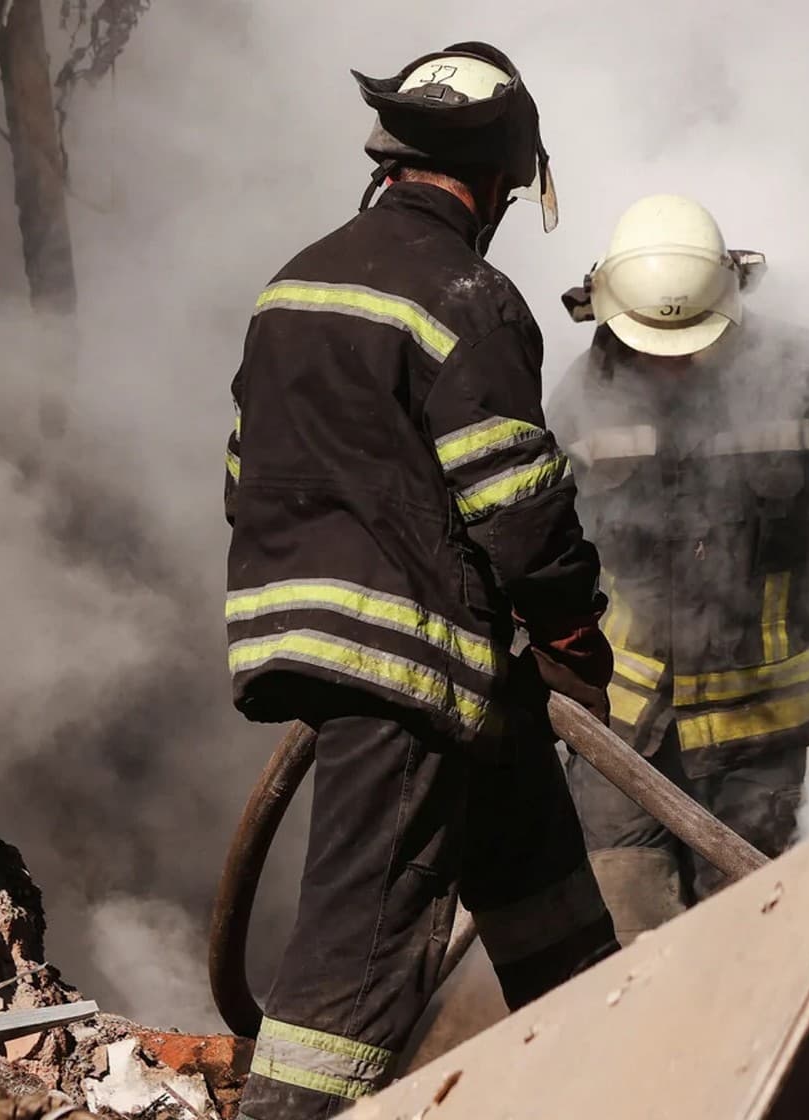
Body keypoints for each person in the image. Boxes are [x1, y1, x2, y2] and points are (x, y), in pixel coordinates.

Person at [222, 43, 617, 1119]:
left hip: (380, 651)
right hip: (418, 665)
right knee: (359, 954)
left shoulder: (291, 283)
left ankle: (608, 1082)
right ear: (497, 178)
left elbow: (243, 468)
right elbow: (516, 501)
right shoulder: (469, 295)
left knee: (552, 914)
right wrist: (576, 632)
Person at [545, 194, 809, 944]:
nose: (672, 368)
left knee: (746, 948)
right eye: (651, 347)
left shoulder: (804, 376)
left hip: (758, 743)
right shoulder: (579, 401)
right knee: (624, 950)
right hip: (619, 737)